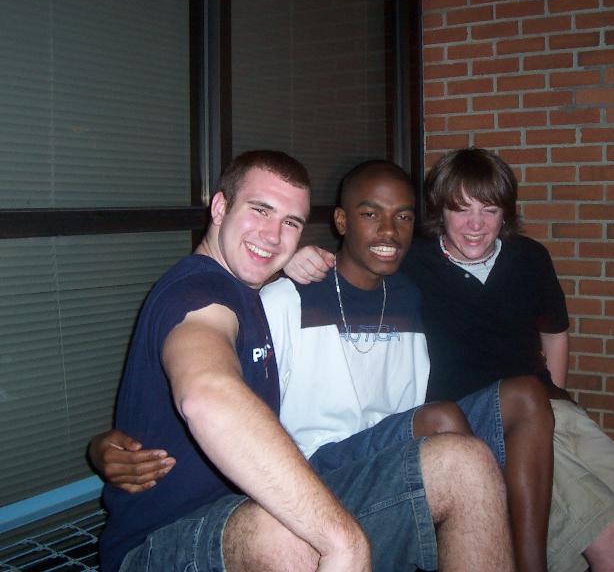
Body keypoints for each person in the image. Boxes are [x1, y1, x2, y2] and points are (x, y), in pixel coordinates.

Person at [93, 160, 544, 570]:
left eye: (290, 222)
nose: (272, 235)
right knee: (286, 535)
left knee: (466, 462)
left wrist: (285, 263)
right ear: (220, 207)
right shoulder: (197, 294)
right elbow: (206, 391)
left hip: (247, 507)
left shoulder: (252, 294)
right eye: (260, 210)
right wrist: (341, 540)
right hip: (164, 540)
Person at [283, 148, 614, 571]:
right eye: (461, 209)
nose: (476, 225)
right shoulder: (414, 261)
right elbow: (363, 253)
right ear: (440, 212)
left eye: (490, 210)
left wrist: (557, 394)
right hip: (481, 421)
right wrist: (296, 258)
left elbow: (555, 333)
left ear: (506, 214)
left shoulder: (529, 257)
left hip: (549, 409)